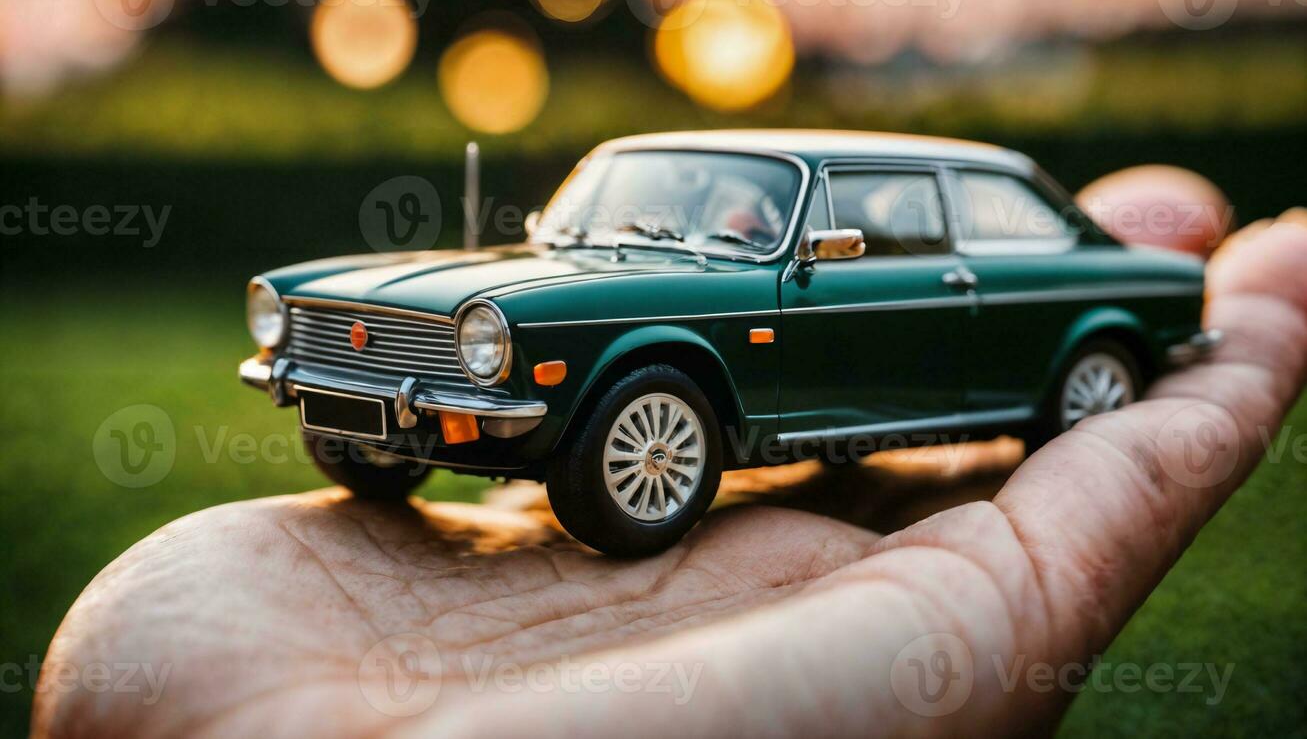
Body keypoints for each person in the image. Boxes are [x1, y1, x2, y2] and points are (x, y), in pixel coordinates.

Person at [31, 169, 1307, 738]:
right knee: (475, 326)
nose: (629, 226)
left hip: (1022, 312)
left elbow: (648, 404)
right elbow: (492, 297)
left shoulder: (857, 251)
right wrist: (352, 361)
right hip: (438, 369)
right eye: (614, 201)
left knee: (1076, 395)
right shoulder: (533, 284)